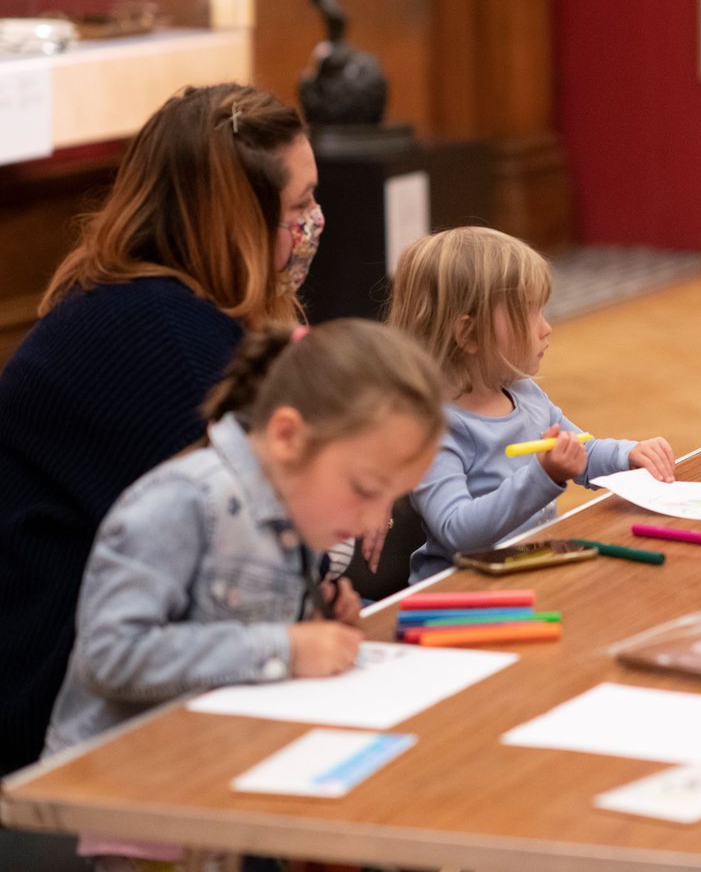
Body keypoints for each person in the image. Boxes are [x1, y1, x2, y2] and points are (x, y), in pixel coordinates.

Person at [0, 83, 325, 777]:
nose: (315, 223)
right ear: (232, 222)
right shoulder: (160, 340)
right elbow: (266, 546)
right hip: (59, 712)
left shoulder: (164, 307)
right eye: (298, 207)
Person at [43, 319, 444, 869]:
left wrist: (321, 616)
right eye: (366, 491)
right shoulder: (182, 502)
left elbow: (239, 619)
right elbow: (110, 655)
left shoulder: (290, 506)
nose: (375, 520)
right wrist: (285, 646)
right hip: (128, 820)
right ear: (286, 436)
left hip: (222, 791)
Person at [387, 227, 677, 582]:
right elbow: (457, 530)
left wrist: (629, 456)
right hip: (459, 593)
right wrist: (544, 476)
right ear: (469, 334)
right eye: (530, 313)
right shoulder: (433, 428)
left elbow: (582, 453)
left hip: (528, 571)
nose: (546, 328)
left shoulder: (524, 394)